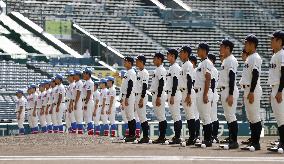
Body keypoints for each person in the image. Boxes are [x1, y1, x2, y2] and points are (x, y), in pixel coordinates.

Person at [239, 34, 263, 151]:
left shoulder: (255, 57)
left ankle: (256, 143)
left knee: (255, 117)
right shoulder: (250, 57)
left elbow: (255, 75)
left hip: (252, 89)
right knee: (251, 117)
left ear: (252, 44)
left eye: (246, 43)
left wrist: (252, 91)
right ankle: (253, 141)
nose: (245, 45)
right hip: (248, 89)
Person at [218, 39, 239, 149]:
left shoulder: (231, 60)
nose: (220, 48)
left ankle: (234, 141)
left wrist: (230, 94)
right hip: (225, 90)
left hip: (229, 90)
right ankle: (231, 139)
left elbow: (232, 77)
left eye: (222, 46)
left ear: (227, 48)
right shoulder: (226, 60)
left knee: (231, 116)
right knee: (228, 116)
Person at [194, 43, 214, 148]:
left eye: (199, 49)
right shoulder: (201, 63)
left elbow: (208, 79)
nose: (197, 51)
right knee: (203, 117)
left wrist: (205, 94)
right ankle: (205, 139)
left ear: (204, 50)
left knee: (206, 117)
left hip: (203, 92)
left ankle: (208, 140)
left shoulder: (207, 62)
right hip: (199, 92)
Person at [267, 30, 284, 152]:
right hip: (275, 88)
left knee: (282, 117)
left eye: (273, 39)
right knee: (279, 118)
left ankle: (283, 144)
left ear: (279, 41)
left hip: (280, 88)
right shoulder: (275, 55)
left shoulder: (282, 54)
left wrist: (279, 91)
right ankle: (282, 142)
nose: (271, 41)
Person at [179, 46, 196, 146]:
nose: (180, 54)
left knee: (190, 115)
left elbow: (189, 80)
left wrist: (189, 94)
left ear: (186, 53)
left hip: (187, 92)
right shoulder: (185, 65)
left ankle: (192, 137)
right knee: (189, 116)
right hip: (184, 92)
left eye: (181, 52)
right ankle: (192, 137)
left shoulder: (188, 65)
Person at [150, 53, 168, 144]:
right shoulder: (157, 69)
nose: (153, 60)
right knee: (160, 116)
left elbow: (161, 84)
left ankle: (162, 137)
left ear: (159, 59)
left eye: (155, 58)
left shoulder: (161, 69)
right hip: (156, 94)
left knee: (161, 116)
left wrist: (158, 97)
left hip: (158, 94)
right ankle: (161, 137)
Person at [166, 49, 182, 144]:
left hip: (174, 93)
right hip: (172, 93)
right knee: (175, 115)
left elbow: (175, 81)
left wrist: (172, 95)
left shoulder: (175, 67)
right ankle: (176, 136)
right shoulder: (172, 67)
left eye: (168, 55)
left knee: (176, 116)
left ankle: (177, 137)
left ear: (172, 56)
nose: (167, 57)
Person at [120, 56, 137, 142]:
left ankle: (132, 135)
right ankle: (130, 134)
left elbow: (130, 86)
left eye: (126, 61)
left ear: (130, 63)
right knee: (128, 115)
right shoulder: (128, 72)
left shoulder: (131, 72)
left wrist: (126, 97)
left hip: (129, 96)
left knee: (130, 115)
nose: (124, 63)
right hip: (126, 95)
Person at [134, 55, 150, 143]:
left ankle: (146, 136)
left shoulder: (144, 72)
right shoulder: (139, 72)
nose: (136, 62)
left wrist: (142, 98)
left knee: (143, 116)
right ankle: (145, 136)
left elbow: (144, 87)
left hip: (141, 95)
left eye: (137, 61)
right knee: (141, 116)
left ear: (141, 62)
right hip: (137, 95)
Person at [208, 53, 220, 143]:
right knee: (209, 116)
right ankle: (210, 135)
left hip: (213, 94)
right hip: (209, 94)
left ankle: (214, 135)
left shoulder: (213, 70)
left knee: (213, 116)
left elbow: (212, 84)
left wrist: (211, 97)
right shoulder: (209, 69)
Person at [189, 55, 200, 142]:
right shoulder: (190, 71)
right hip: (190, 94)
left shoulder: (196, 71)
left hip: (195, 93)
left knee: (195, 115)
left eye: (191, 62)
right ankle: (193, 135)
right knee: (192, 115)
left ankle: (197, 135)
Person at [82, 68, 95, 135]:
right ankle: (89, 133)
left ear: (88, 74)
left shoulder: (90, 82)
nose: (83, 74)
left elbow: (89, 93)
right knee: (86, 118)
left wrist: (86, 104)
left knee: (88, 118)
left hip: (88, 101)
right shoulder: (86, 82)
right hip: (85, 101)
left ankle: (91, 133)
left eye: (84, 73)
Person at [74, 70, 84, 134]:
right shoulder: (77, 83)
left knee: (79, 118)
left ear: (78, 75)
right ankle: (79, 132)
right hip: (77, 101)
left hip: (79, 101)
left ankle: (80, 133)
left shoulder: (79, 83)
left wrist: (75, 103)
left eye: (75, 75)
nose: (74, 76)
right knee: (77, 118)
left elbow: (78, 93)